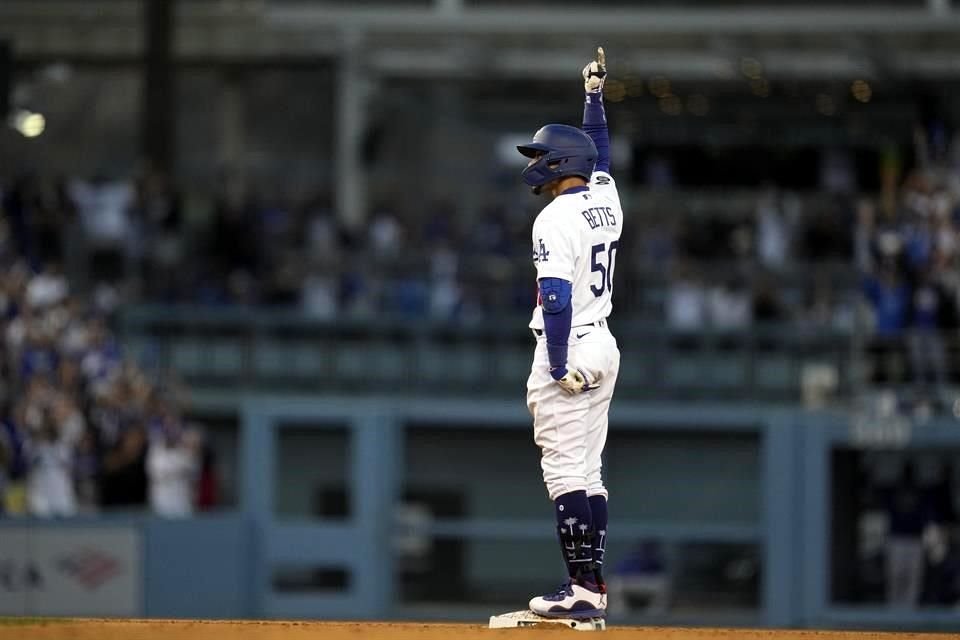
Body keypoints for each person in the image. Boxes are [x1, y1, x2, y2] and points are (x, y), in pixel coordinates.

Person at [519, 47, 622, 620]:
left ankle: (581, 590)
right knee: (589, 470)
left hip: (573, 340)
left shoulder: (553, 218)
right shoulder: (607, 199)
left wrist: (558, 366)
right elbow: (599, 152)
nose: (535, 162)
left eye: (541, 155)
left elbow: (554, 299)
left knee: (564, 472)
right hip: (604, 341)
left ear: (560, 164)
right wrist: (593, 99)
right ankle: (593, 586)